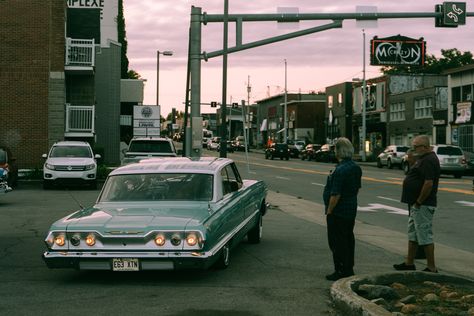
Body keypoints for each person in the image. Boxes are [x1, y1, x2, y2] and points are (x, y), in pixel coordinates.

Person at [394, 135, 440, 273]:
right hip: (416, 205)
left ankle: (431, 267)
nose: (413, 149)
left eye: (416, 146)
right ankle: (409, 262)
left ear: (425, 147)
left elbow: (428, 183)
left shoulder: (429, 160)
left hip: (423, 205)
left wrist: (419, 202)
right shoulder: (423, 159)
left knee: (425, 235)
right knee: (413, 235)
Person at [323, 137, 362, 281]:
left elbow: (335, 194)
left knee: (337, 242)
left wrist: (329, 210)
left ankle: (340, 270)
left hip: (337, 212)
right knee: (348, 239)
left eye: (335, 149)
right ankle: (348, 267)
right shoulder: (355, 167)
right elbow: (357, 189)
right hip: (350, 209)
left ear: (339, 151)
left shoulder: (339, 170)